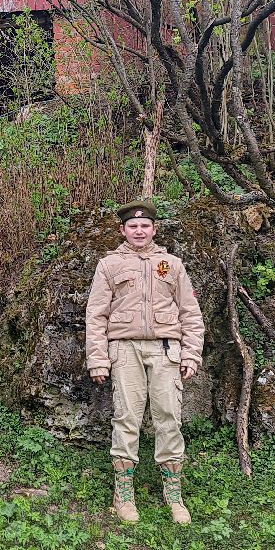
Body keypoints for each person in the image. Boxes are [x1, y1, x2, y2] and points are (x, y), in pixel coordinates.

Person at [85, 199, 204, 525]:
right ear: (124, 230)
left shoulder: (172, 265)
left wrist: (192, 353)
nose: (139, 230)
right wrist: (98, 359)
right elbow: (96, 315)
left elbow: (190, 314)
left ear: (154, 229)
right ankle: (123, 495)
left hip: (166, 349)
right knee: (127, 417)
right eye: (133, 226)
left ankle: (174, 494)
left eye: (145, 225)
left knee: (169, 417)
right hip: (124, 350)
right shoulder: (109, 265)